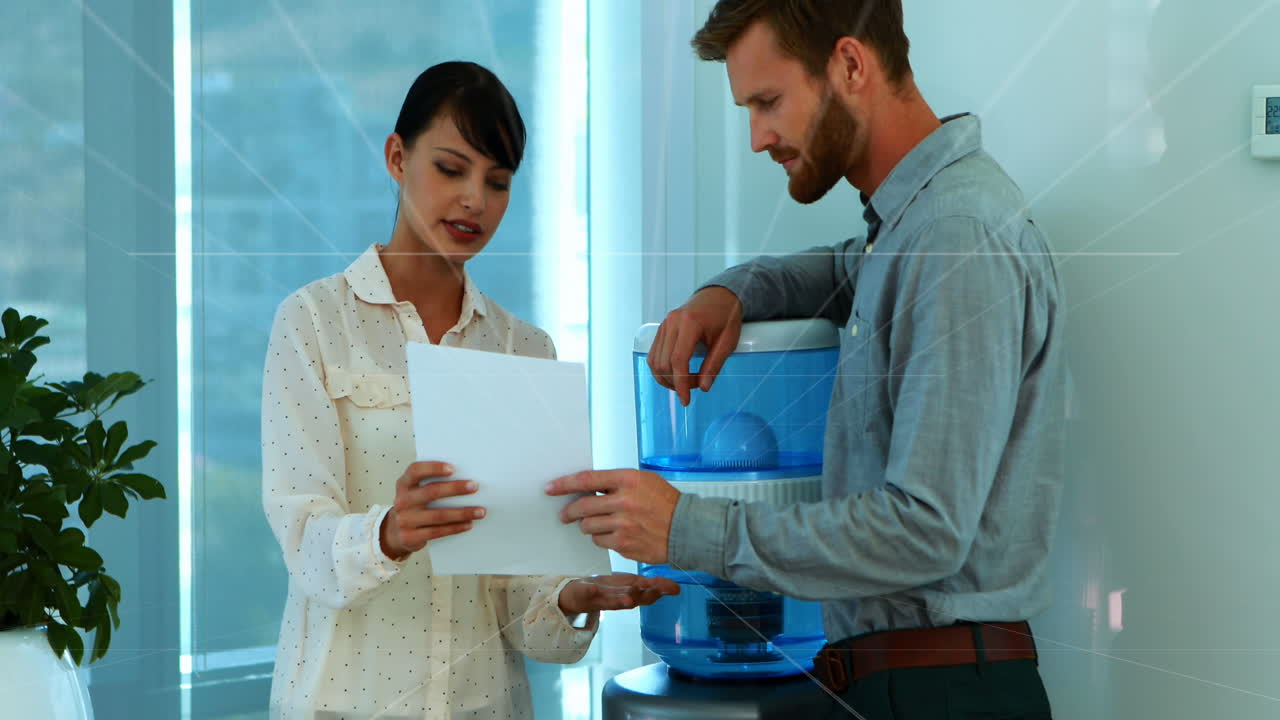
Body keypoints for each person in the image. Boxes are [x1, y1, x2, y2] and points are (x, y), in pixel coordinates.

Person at [546, 2, 1066, 717]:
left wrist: (688, 529)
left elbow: (925, 530)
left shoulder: (955, 235)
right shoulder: (913, 231)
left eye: (768, 102)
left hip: (942, 692)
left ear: (851, 65)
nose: (758, 137)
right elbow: (839, 271)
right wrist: (727, 293)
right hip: (901, 684)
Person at [262, 61, 677, 720]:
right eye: (451, 169)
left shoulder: (525, 352)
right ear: (398, 157)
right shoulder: (313, 323)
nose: (475, 201)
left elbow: (527, 611)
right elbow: (303, 543)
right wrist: (390, 533)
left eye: (498, 181)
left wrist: (573, 598)